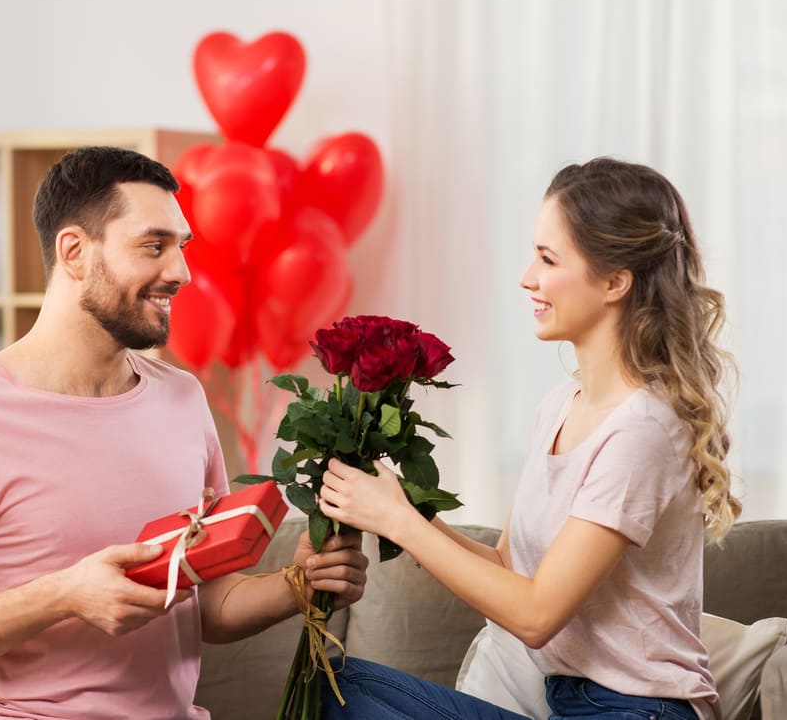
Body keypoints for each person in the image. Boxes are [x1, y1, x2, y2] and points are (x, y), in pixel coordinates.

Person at [0, 146, 369, 720]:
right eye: (154, 246)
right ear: (75, 252)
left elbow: (205, 602)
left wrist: (299, 583)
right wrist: (65, 593)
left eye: (182, 248)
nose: (181, 272)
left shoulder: (183, 399)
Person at [316, 157, 740, 720]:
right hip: (567, 704)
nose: (527, 278)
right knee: (336, 684)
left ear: (615, 281)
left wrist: (400, 521)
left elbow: (537, 615)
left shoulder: (643, 430)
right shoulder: (559, 407)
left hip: (639, 712)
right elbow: (509, 567)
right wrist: (395, 509)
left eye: (547, 259)